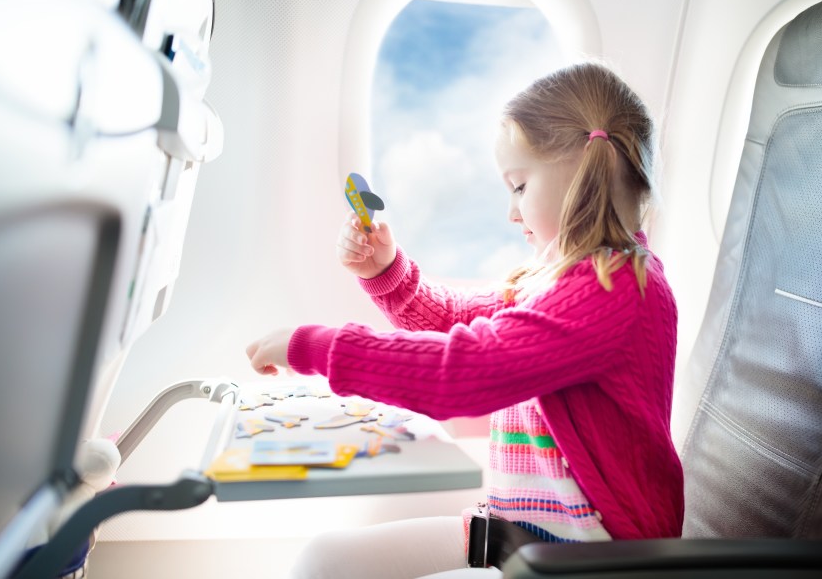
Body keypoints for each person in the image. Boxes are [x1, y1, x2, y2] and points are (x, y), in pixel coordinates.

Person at [246, 62, 683, 578]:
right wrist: (388, 272)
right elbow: (456, 320)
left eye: (519, 186)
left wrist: (314, 346)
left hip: (591, 562)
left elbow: (461, 372)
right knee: (322, 561)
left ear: (584, 170)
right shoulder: (556, 278)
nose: (511, 213)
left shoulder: (616, 290)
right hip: (524, 537)